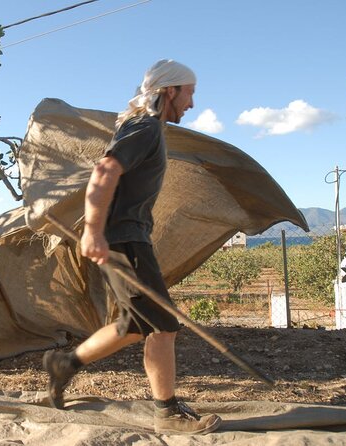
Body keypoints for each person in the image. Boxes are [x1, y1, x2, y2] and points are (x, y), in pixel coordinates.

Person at [42, 60, 221, 435]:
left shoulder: (147, 128)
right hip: (123, 238)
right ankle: (167, 412)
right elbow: (105, 171)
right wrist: (93, 230)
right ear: (169, 91)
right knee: (163, 325)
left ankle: (65, 364)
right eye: (189, 93)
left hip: (129, 236)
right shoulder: (144, 127)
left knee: (134, 325)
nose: (191, 102)